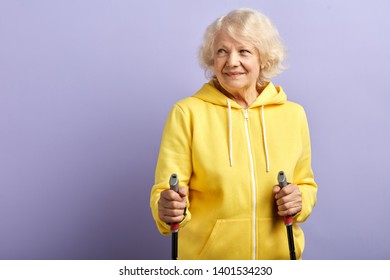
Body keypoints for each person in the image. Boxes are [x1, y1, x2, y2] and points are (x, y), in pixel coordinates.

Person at [150, 8, 317, 260]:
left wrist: (300, 199)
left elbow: (306, 184)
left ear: (264, 58)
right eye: (222, 51)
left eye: (244, 51)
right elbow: (164, 190)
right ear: (211, 58)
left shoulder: (293, 114)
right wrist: (166, 207)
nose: (232, 62)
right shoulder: (187, 112)